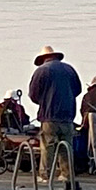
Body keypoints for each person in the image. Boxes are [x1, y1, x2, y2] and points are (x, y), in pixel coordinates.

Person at [28, 47, 82, 179]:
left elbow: (33, 95)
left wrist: (45, 101)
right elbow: (77, 90)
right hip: (68, 115)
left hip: (49, 115)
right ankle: (67, 175)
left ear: (43, 59)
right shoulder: (70, 69)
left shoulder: (41, 71)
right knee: (66, 147)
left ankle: (45, 176)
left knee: (48, 146)